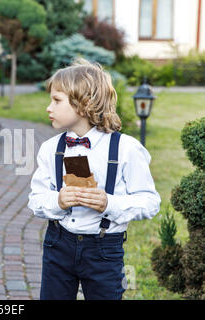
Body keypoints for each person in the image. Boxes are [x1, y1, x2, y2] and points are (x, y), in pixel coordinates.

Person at [28, 58, 161, 300]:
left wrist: (109, 204)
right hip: (58, 244)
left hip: (104, 251)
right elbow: (35, 200)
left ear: (84, 104)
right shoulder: (50, 149)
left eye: (57, 100)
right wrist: (58, 200)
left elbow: (150, 202)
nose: (49, 107)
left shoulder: (126, 149)